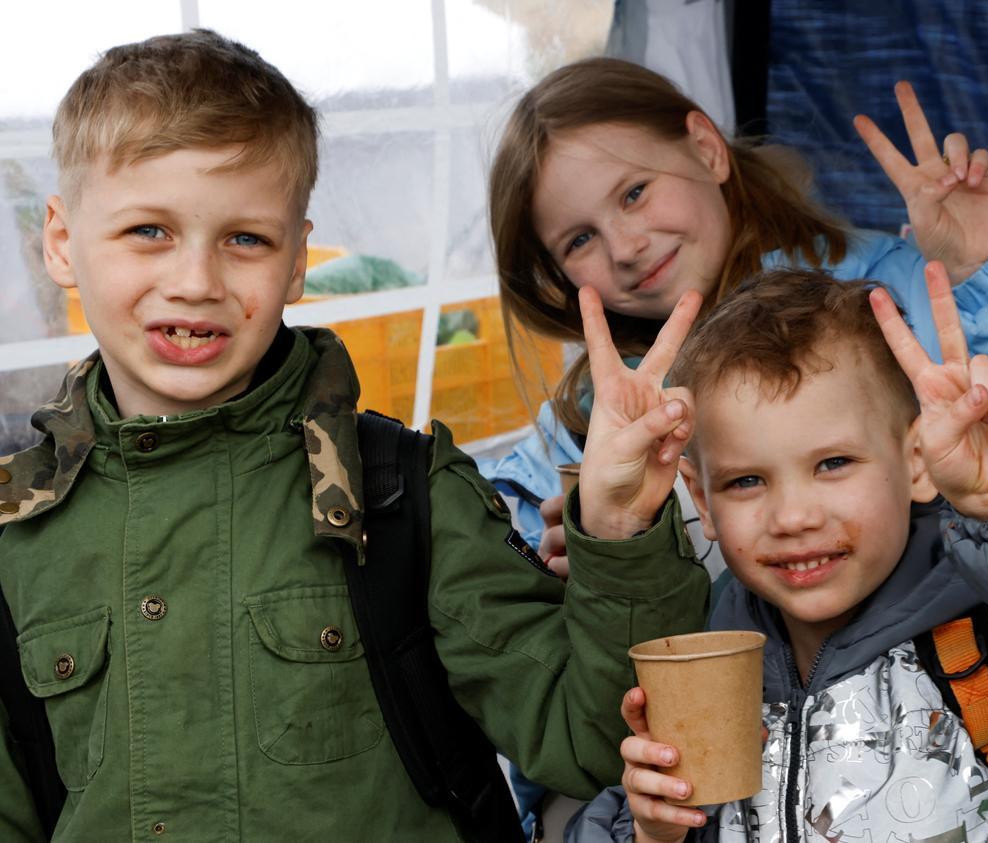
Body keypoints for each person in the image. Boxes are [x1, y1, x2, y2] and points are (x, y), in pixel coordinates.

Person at [0, 31, 712, 840]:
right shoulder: (14, 539)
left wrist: (620, 527)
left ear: (298, 261)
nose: (195, 282)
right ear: (60, 242)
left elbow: (589, 741)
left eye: (245, 239)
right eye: (148, 232)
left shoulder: (405, 494)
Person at [481, 57, 988, 578]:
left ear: (704, 148)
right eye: (580, 240)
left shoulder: (899, 299)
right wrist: (598, 555)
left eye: (634, 193)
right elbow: (503, 574)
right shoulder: (594, 412)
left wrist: (987, 268)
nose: (626, 248)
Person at [566, 266, 988, 843]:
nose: (793, 517)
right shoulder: (714, 678)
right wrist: (654, 832)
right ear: (702, 499)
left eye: (834, 463)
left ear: (917, 461)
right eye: (746, 481)